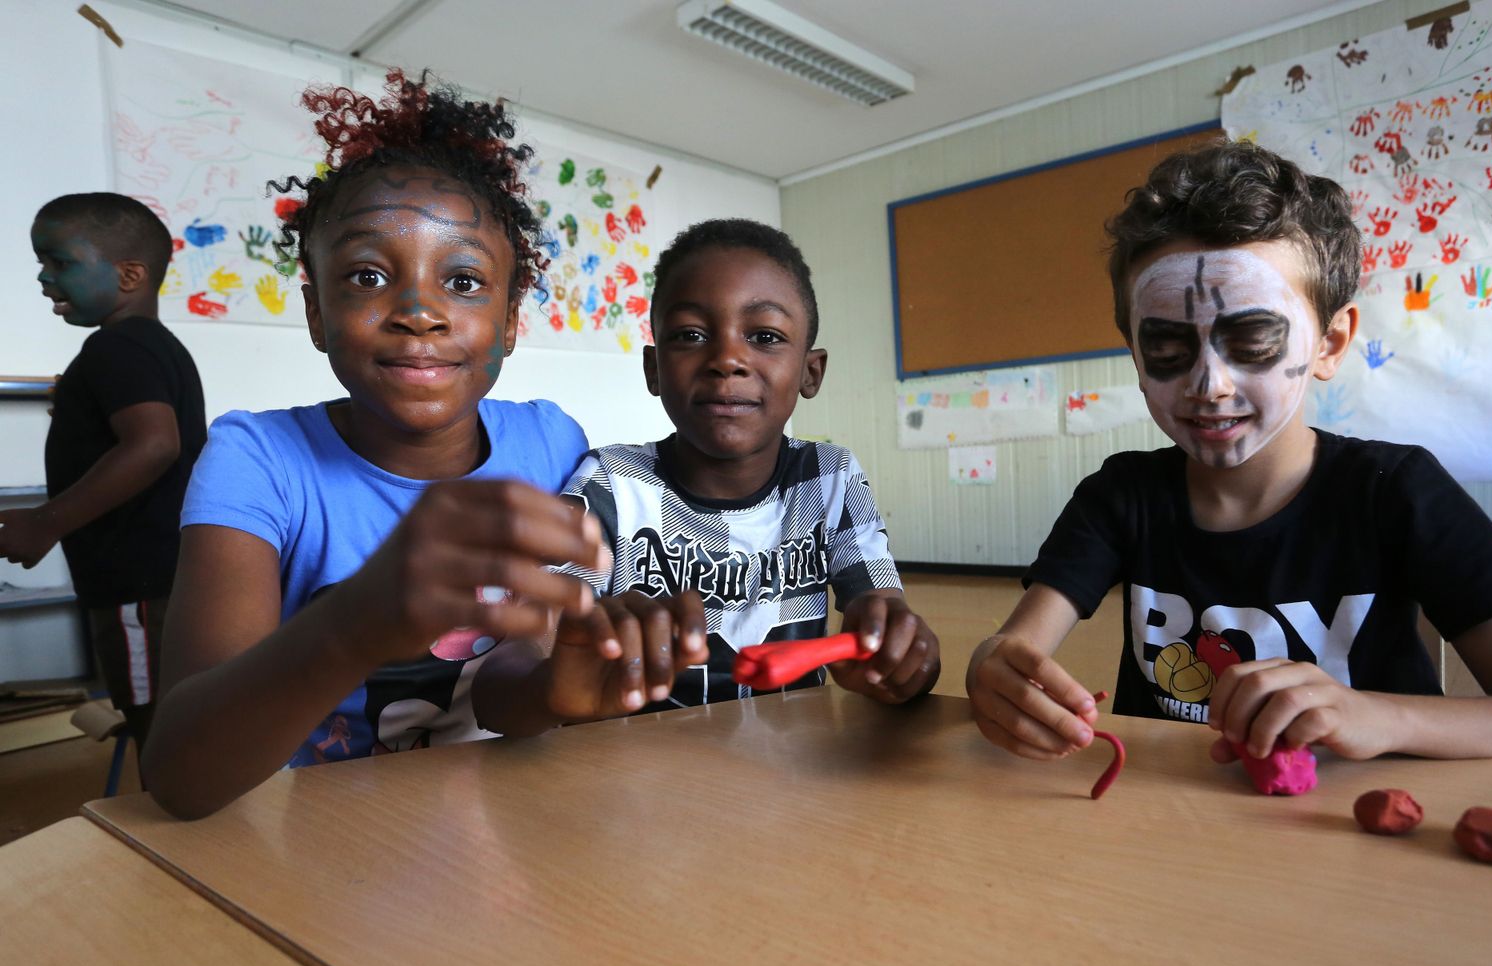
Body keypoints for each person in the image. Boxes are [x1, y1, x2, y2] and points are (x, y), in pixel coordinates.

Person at [966, 140, 1492, 768]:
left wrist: (1379, 716)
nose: (1210, 385)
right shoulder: (1121, 495)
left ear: (1330, 343)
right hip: (1167, 815)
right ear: (1134, 351)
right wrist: (992, 669)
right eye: (1166, 348)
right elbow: (1011, 651)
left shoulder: (1396, 489)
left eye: (1253, 341)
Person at [140, 73, 604, 818]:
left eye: (463, 281)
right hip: (314, 829)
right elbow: (180, 778)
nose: (418, 312)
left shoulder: (554, 443)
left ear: (511, 320)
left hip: (506, 817)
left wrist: (580, 677)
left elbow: (539, 668)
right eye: (367, 275)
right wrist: (354, 622)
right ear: (316, 313)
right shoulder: (256, 459)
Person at [472, 219, 939, 731]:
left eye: (765, 336)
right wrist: (550, 690)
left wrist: (905, 659)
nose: (727, 360)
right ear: (654, 369)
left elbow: (886, 619)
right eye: (691, 335)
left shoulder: (829, 477)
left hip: (796, 764)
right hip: (636, 767)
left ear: (811, 372)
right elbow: (502, 682)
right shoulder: (611, 486)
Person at [2, 193, 206, 756]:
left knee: (158, 728)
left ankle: (173, 808)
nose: (44, 276)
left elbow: (154, 444)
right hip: (158, 580)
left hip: (136, 587)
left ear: (129, 275)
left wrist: (44, 522)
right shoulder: (150, 346)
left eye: (60, 261)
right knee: (174, 720)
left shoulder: (115, 347)